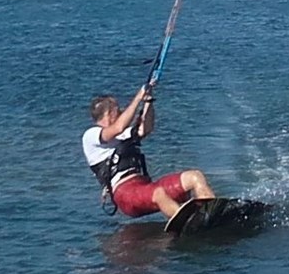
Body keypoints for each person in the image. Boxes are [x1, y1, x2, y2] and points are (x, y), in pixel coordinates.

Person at [83, 85, 215, 218]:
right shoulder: (91, 135)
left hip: (144, 186)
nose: (122, 111)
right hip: (125, 194)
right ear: (110, 113)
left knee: (195, 177)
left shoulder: (122, 134)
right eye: (118, 110)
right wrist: (138, 98)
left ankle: (212, 215)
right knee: (159, 193)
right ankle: (189, 223)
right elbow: (119, 127)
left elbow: (145, 129)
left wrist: (148, 101)